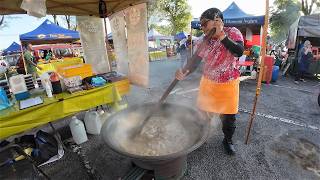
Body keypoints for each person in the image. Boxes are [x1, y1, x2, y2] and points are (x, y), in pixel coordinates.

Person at [175, 8, 244, 155]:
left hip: (228, 83)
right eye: (201, 25)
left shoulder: (233, 32)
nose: (203, 28)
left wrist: (222, 36)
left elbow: (238, 51)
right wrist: (183, 72)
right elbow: (194, 63)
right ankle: (202, 136)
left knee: (229, 119)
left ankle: (228, 140)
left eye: (205, 23)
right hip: (208, 83)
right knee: (203, 115)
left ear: (218, 20)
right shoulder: (203, 40)